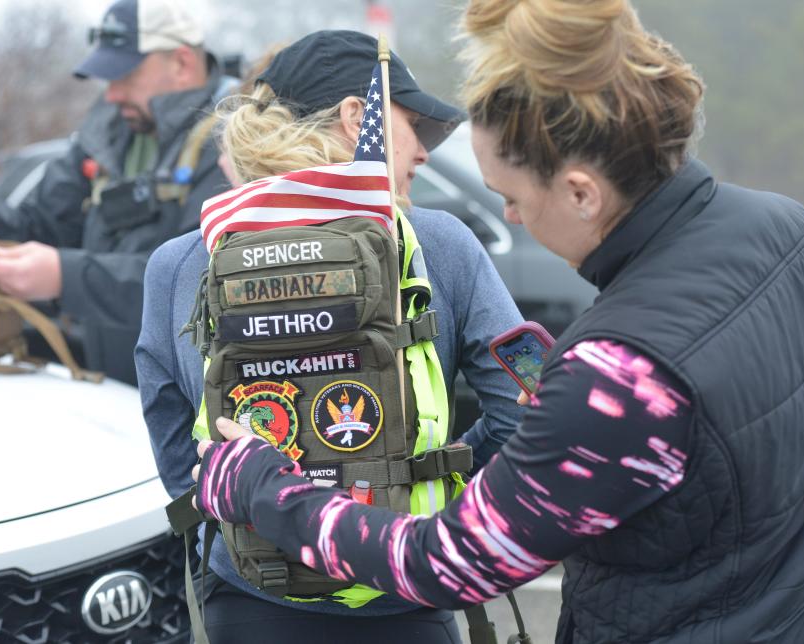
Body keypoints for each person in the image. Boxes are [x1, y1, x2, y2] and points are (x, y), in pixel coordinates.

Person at [188, 2, 804, 643]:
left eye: (512, 198)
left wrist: (262, 488)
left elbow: (444, 562)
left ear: (580, 190)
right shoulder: (795, 229)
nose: (511, 219)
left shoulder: (620, 374)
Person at [135, 30, 526, 643]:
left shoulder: (182, 261)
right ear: (356, 118)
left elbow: (175, 448)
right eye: (411, 121)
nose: (424, 150)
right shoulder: (439, 243)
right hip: (406, 594)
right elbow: (519, 416)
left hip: (248, 596)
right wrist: (427, 494)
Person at [0, 0, 230, 385]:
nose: (111, 94)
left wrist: (66, 277)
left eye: (124, 75)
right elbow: (39, 226)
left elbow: (200, 280)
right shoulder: (105, 136)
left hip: (193, 405)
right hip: (107, 388)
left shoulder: (231, 146)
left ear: (181, 63)